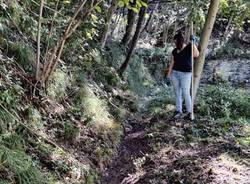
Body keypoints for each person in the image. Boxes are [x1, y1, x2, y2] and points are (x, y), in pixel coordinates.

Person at [166, 32, 199, 120]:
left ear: (178, 41)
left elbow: (196, 54)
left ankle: (189, 112)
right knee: (177, 93)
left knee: (186, 92)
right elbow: (172, 62)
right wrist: (168, 74)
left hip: (186, 74)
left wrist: (193, 43)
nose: (174, 43)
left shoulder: (189, 47)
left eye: (175, 41)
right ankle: (178, 111)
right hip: (175, 74)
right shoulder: (174, 50)